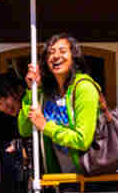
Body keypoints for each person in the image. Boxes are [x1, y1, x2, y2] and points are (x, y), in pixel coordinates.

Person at [17, 33, 101, 180]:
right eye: (51, 52)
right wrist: (32, 90)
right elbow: (24, 129)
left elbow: (82, 140)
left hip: (93, 179)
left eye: (62, 51)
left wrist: (46, 126)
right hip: (63, 181)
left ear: (74, 57)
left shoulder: (84, 88)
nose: (56, 56)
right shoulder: (47, 94)